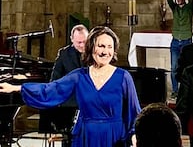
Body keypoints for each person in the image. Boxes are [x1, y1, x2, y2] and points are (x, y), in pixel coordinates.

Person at [0, 26, 141, 147]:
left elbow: (134, 112)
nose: (106, 51)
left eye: (110, 47)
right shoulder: (79, 76)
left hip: (114, 138)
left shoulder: (123, 77)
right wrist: (16, 88)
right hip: (85, 137)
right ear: (91, 47)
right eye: (101, 46)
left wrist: (135, 136)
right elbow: (50, 90)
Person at [43, 24, 89, 146]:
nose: (82, 45)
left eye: (85, 41)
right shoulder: (64, 54)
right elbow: (55, 78)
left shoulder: (95, 52)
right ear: (71, 39)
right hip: (70, 101)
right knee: (69, 137)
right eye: (79, 42)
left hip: (91, 99)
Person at [167, 0, 193, 98]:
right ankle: (175, 90)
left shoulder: (188, 8)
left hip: (186, 41)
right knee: (174, 68)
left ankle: (185, 90)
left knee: (185, 68)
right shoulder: (175, 9)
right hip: (175, 42)